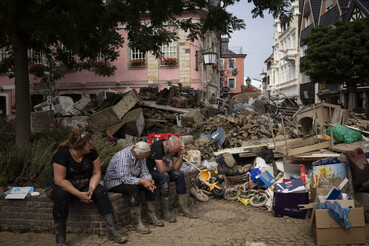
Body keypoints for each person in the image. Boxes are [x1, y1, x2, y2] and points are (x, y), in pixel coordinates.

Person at [49, 130, 126, 246]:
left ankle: (112, 229)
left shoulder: (92, 152)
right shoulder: (62, 154)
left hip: (85, 183)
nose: (92, 146)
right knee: (61, 196)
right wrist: (79, 194)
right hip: (64, 185)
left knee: (101, 192)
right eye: (89, 144)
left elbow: (96, 173)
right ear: (80, 147)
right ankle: (60, 237)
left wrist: (90, 190)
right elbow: (60, 180)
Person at [104, 141, 164, 234]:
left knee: (149, 187)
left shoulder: (141, 156)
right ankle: (136, 223)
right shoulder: (123, 157)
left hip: (131, 180)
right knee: (133, 189)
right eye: (146, 155)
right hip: (115, 182)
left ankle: (152, 216)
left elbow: (144, 171)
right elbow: (124, 178)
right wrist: (142, 181)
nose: (147, 157)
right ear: (139, 154)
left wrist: (148, 179)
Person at [146, 136, 196, 223]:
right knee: (165, 176)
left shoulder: (176, 149)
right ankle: (165, 212)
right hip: (150, 172)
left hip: (164, 171)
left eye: (175, 152)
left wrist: (181, 154)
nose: (173, 153)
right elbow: (161, 170)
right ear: (167, 144)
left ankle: (183, 208)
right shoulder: (157, 146)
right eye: (172, 151)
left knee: (179, 174)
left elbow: (176, 168)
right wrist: (171, 168)